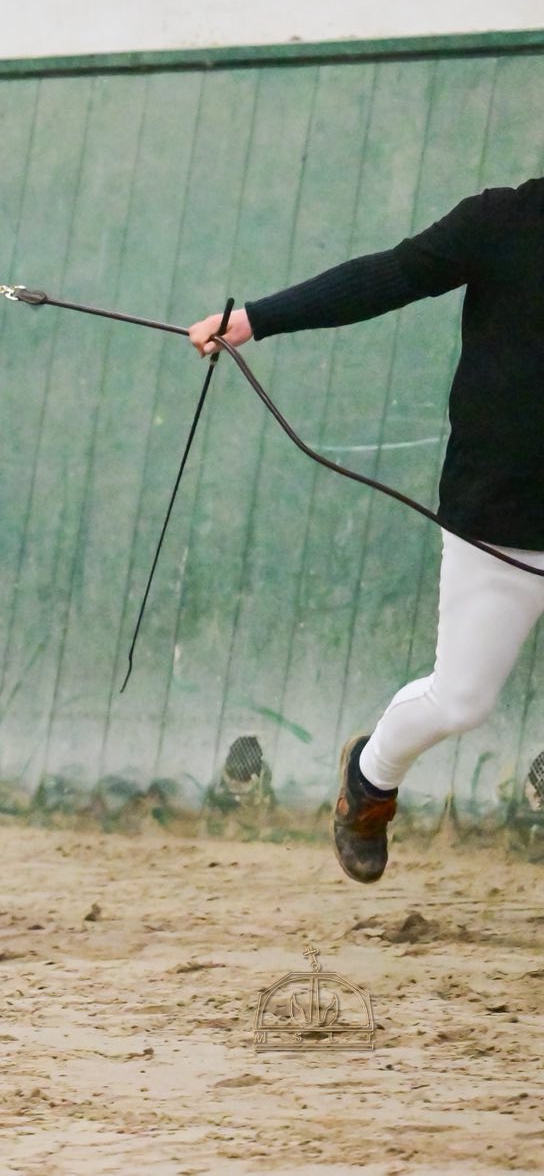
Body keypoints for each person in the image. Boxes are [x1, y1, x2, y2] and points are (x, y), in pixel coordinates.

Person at [188, 178, 544, 883]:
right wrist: (257, 319)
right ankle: (370, 778)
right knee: (461, 699)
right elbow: (389, 277)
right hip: (504, 514)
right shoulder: (504, 220)